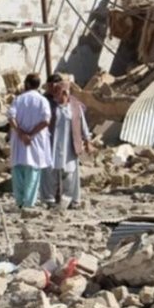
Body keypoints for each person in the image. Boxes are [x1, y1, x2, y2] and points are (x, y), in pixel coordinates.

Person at [40, 75, 91, 208]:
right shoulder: (48, 104)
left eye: (59, 92)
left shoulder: (75, 105)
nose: (56, 94)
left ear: (65, 92)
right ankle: (49, 199)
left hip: (69, 144)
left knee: (70, 172)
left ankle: (70, 200)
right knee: (49, 171)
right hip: (52, 143)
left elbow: (82, 124)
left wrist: (87, 141)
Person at [7, 73, 52, 208]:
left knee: (18, 172)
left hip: (20, 142)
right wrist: (31, 134)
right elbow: (46, 121)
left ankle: (20, 202)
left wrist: (21, 134)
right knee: (33, 173)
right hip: (35, 142)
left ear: (26, 84)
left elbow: (11, 118)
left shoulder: (18, 99)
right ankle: (29, 204)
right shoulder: (42, 101)